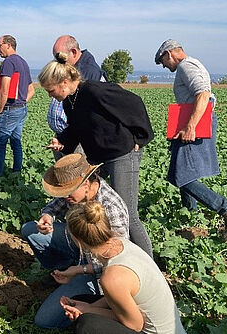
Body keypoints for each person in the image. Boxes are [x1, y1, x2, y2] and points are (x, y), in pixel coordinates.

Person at [39, 52, 155, 258]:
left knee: (129, 213)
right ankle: (100, 253)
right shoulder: (69, 101)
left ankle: (146, 264)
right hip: (98, 156)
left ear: (64, 82)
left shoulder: (93, 91)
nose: (50, 95)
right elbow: (77, 129)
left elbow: (134, 103)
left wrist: (140, 137)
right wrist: (62, 141)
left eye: (51, 90)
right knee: (95, 202)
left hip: (122, 153)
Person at [154, 39, 227, 241]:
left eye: (163, 60)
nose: (164, 65)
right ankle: (191, 217)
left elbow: (203, 95)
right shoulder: (189, 65)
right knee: (181, 173)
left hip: (195, 124)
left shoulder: (187, 66)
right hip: (192, 122)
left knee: (182, 176)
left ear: (169, 53)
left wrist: (190, 126)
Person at [21, 153, 130, 328]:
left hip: (99, 274)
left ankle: (83, 291)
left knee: (44, 321)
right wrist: (47, 216)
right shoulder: (75, 194)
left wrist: (79, 270)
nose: (65, 198)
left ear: (86, 183)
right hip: (82, 250)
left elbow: (117, 264)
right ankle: (61, 269)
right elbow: (54, 206)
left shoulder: (112, 210)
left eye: (68, 193)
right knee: (31, 230)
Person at [60, 201, 187, 334]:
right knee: (82, 302)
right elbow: (120, 295)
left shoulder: (112, 277)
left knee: (87, 325)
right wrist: (89, 307)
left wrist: (88, 310)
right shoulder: (121, 244)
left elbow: (135, 325)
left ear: (78, 239)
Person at [48, 35, 107, 160]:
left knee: (78, 177)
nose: (56, 61)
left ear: (74, 52)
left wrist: (66, 139)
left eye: (59, 56)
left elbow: (85, 116)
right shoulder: (71, 68)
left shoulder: (89, 73)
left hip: (78, 139)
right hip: (66, 136)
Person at [0, 35, 35, 178]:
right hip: (21, 109)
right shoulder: (23, 62)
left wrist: (0, 110)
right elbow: (32, 90)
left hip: (10, 109)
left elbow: (4, 90)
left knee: (0, 143)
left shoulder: (8, 62)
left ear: (8, 45)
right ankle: (17, 173)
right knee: (16, 142)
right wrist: (22, 102)